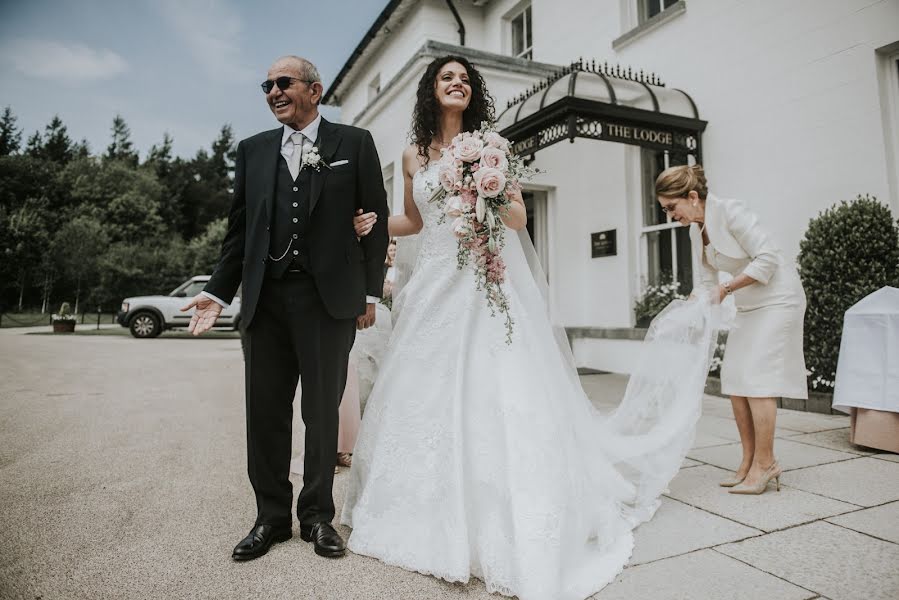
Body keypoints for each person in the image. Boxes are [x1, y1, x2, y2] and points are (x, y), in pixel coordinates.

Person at [344, 55, 718, 600]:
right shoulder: (411, 155)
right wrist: (372, 224)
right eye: (447, 77)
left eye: (465, 79)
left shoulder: (491, 145)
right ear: (431, 90)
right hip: (433, 282)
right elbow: (414, 221)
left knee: (497, 384)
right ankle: (419, 508)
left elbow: (518, 219)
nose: (457, 83)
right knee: (423, 389)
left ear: (473, 94)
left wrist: (487, 193)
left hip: (481, 280)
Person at [181, 55, 388, 561]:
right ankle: (270, 518)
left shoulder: (353, 144)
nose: (273, 91)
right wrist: (218, 290)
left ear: (314, 91)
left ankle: (317, 517)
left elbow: (375, 218)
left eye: (283, 82)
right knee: (266, 413)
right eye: (267, 84)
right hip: (265, 301)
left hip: (327, 302)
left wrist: (368, 292)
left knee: (321, 415)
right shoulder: (252, 152)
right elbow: (239, 233)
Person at [656, 164, 807, 494]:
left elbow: (768, 259)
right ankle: (748, 461)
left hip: (778, 299)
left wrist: (726, 290)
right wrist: (689, 309)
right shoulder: (698, 230)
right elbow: (708, 281)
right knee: (735, 378)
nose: (670, 215)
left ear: (693, 196)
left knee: (757, 379)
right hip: (750, 305)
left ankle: (766, 465)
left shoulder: (731, 211)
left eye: (671, 207)